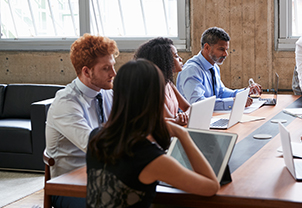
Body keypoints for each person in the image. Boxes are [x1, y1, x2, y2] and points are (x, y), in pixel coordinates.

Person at [86, 59, 219, 207]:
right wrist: (183, 135)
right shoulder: (149, 158)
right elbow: (211, 186)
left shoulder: (96, 136)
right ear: (155, 98)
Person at [45, 34, 119, 207]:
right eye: (106, 68)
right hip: (70, 186)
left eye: (113, 66)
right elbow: (96, 146)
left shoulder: (107, 92)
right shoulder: (66, 102)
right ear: (86, 71)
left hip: (104, 176)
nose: (113, 73)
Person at [176, 27, 262, 110]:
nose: (226, 54)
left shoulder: (214, 66)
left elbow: (221, 92)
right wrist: (233, 102)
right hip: (192, 122)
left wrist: (246, 92)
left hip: (211, 117)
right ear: (207, 48)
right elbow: (198, 103)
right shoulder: (191, 70)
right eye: (221, 49)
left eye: (226, 49)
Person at [134, 37, 191, 126]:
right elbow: (171, 121)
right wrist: (180, 118)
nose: (180, 59)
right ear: (164, 61)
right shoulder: (153, 88)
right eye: (176, 56)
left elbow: (188, 107)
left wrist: (183, 116)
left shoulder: (168, 83)